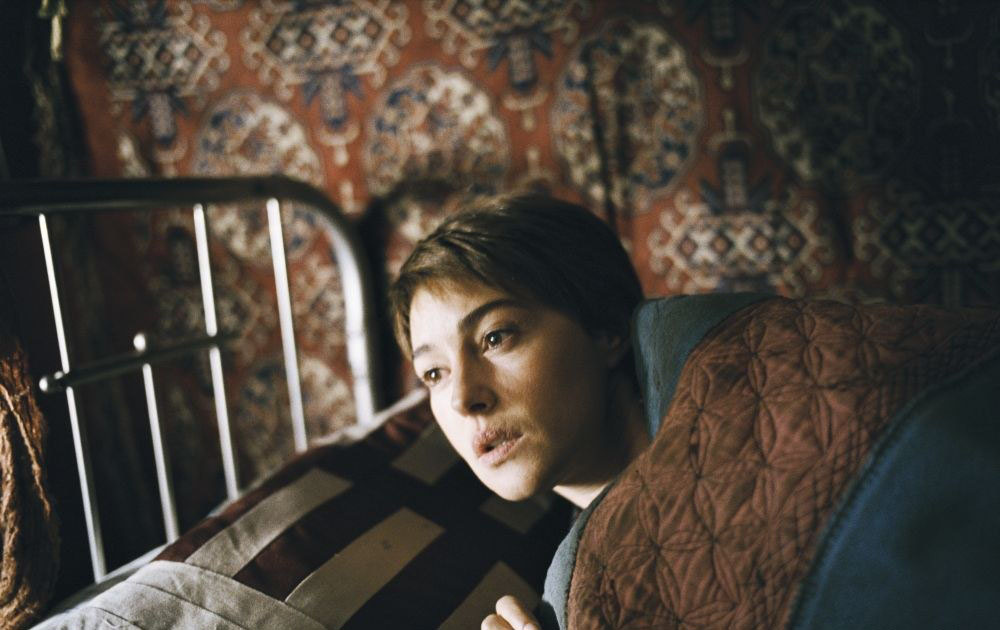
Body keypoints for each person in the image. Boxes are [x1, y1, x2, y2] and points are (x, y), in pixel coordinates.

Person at [388, 193, 651, 630]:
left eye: (495, 337)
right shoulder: (577, 592)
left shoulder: (738, 434)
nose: (462, 399)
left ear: (606, 327)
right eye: (434, 373)